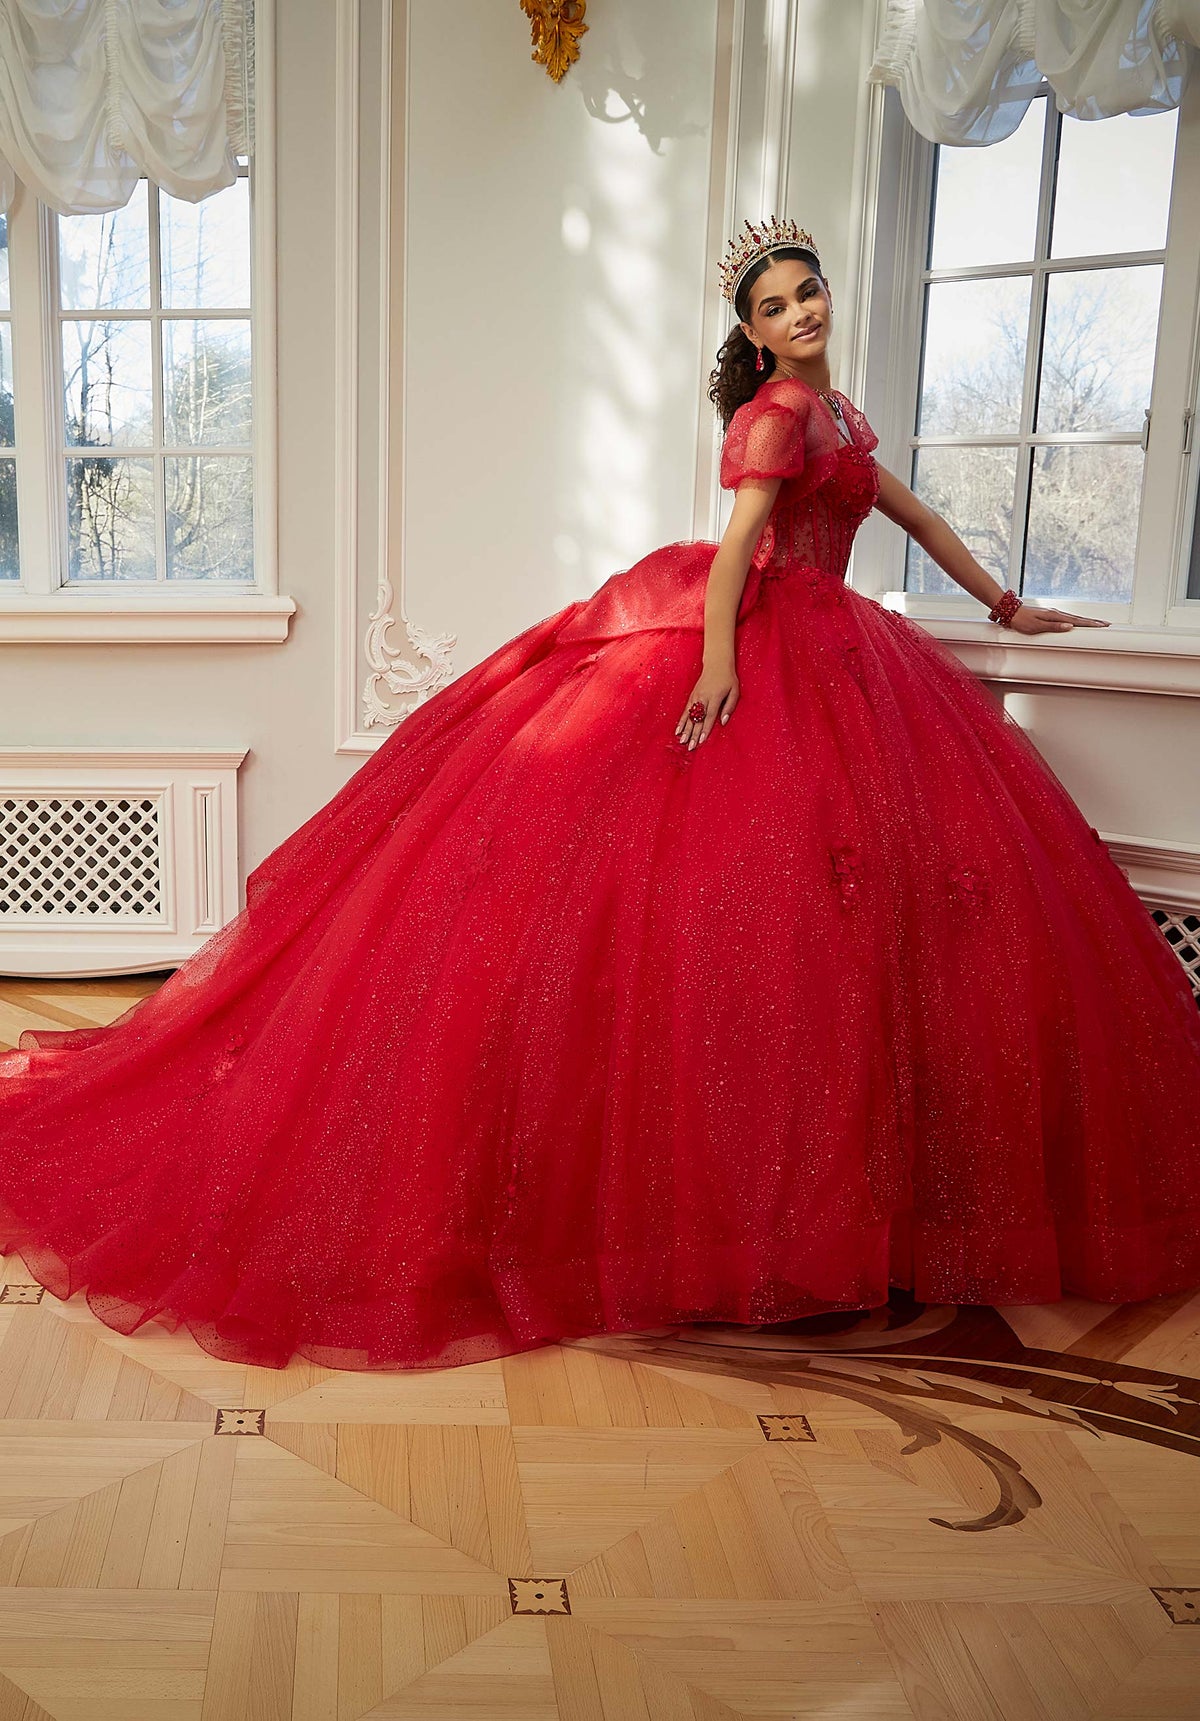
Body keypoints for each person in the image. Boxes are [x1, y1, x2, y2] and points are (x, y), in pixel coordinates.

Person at [1, 216, 1198, 1374]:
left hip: (844, 651)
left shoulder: (836, 410)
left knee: (848, 918)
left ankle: (852, 1216)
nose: (799, 312)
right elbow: (738, 552)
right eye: (773, 305)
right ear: (754, 332)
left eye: (807, 291)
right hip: (763, 635)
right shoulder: (781, 412)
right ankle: (735, 1221)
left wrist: (1004, 603)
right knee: (718, 894)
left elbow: (912, 512)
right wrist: (721, 659)